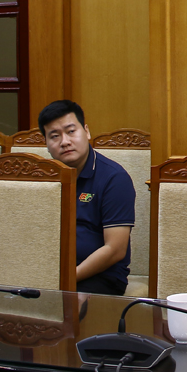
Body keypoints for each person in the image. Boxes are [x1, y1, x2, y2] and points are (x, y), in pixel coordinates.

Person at [39, 100, 135, 295]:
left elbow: (115, 249)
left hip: (100, 276)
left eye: (71, 131)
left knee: (67, 306)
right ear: (46, 144)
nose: (64, 142)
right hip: (49, 272)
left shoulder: (114, 178)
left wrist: (65, 279)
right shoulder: (42, 178)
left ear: (87, 132)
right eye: (54, 136)